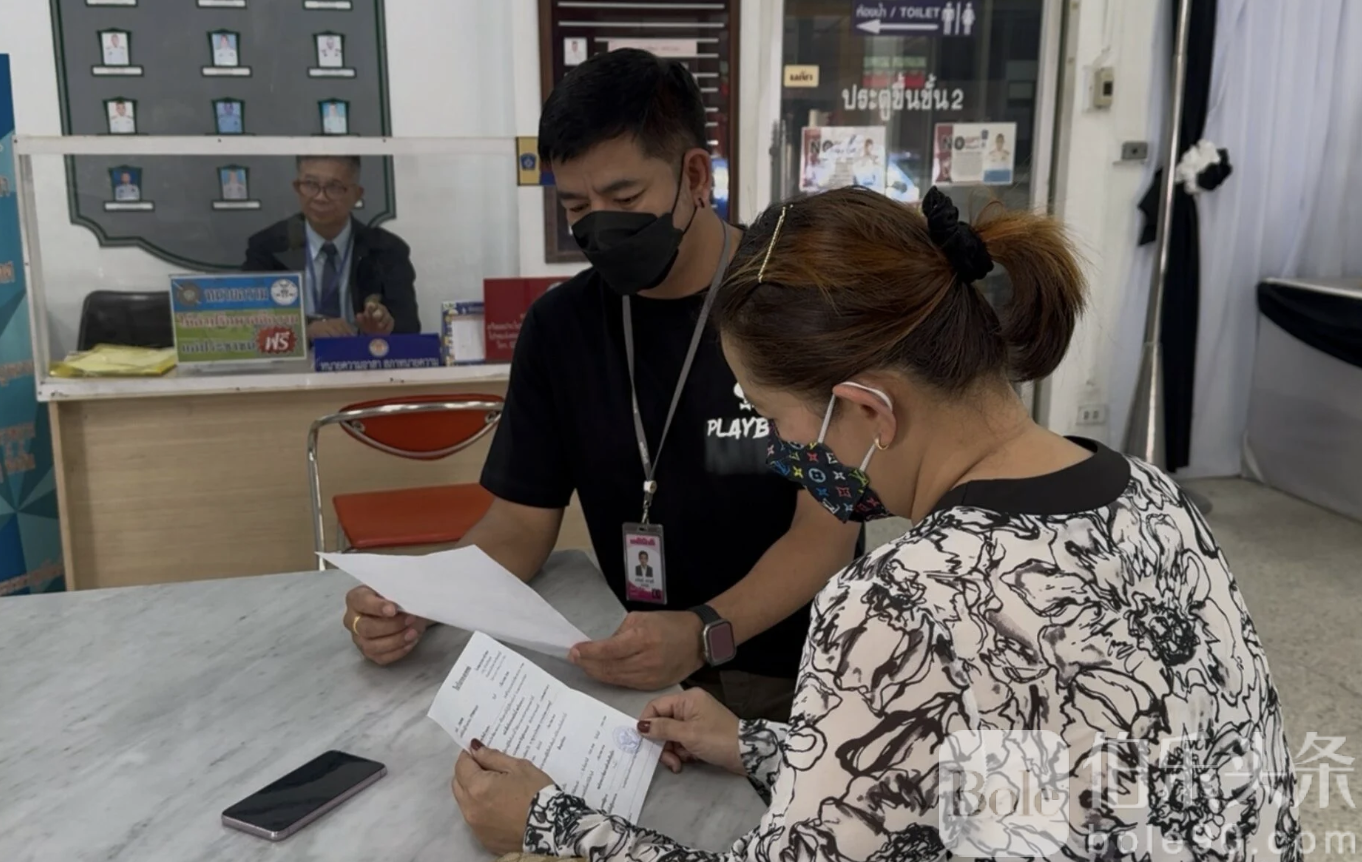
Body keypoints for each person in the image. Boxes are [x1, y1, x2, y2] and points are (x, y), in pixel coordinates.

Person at [449, 186, 1300, 860]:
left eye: (774, 419)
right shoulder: (1151, 496)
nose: (782, 452)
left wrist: (549, 821)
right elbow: (1023, 775)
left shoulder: (901, 599)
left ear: (867, 410)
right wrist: (764, 746)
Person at [342, 49, 860, 721]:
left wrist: (703, 632)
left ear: (694, 175)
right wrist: (419, 599)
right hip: (633, 670)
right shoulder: (560, 328)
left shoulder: (798, 306)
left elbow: (827, 531)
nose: (600, 225)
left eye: (624, 199)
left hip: (797, 674)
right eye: (576, 205)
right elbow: (520, 524)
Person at [242, 155, 418, 337]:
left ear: (357, 194)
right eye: (310, 185)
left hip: (361, 353)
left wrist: (382, 329)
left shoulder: (387, 250)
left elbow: (408, 328)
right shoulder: (267, 247)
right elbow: (249, 323)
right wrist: (304, 331)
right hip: (296, 355)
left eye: (334, 187)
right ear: (297, 188)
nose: (320, 197)